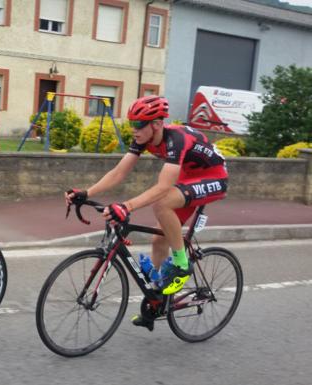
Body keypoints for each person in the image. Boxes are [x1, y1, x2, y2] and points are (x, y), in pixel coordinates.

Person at [65, 95, 228, 329]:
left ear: (157, 124)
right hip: (188, 177)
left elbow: (163, 187)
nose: (134, 130)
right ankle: (157, 299)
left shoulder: (176, 140)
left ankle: (182, 265)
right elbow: (119, 172)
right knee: (158, 239)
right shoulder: (143, 139)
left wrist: (126, 206)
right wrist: (86, 193)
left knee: (162, 203)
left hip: (214, 177)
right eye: (132, 124)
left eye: (139, 124)